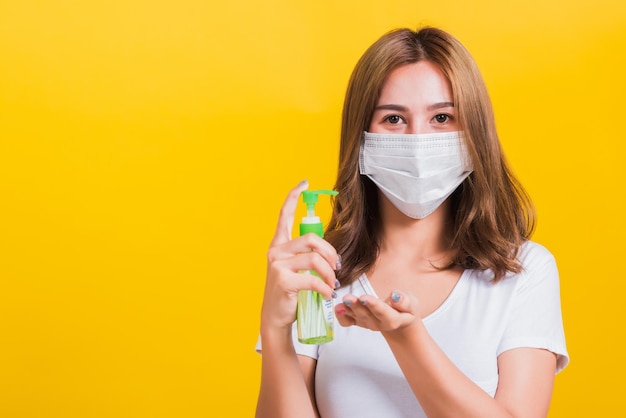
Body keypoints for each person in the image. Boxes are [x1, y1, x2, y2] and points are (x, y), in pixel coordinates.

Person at [255, 26, 569, 418]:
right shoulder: (320, 272)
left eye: (442, 117)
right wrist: (275, 332)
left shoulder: (522, 272)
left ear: (474, 133)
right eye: (393, 119)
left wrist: (405, 337)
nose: (418, 139)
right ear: (363, 135)